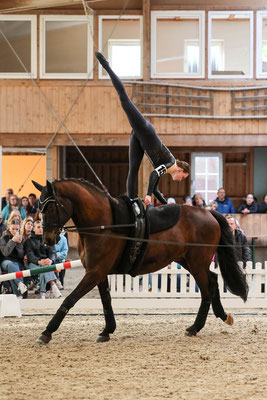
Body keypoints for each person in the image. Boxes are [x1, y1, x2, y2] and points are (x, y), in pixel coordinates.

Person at [95, 52, 190, 206]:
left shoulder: (166, 169)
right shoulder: (171, 162)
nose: (180, 181)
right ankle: (106, 65)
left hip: (139, 139)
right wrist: (147, 195)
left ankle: (131, 201)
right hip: (145, 131)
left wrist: (166, 204)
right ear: (180, 170)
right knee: (124, 98)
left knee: (133, 169)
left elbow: (155, 189)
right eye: (183, 177)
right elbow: (153, 174)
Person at [24, 220, 62, 299]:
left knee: (43, 269)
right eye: (38, 227)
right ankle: (52, 284)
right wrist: (39, 261)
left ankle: (43, 292)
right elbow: (30, 255)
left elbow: (53, 252)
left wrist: (50, 260)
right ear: (33, 229)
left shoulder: (48, 239)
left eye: (42, 227)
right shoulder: (28, 241)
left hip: (46, 263)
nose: (41, 229)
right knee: (43, 268)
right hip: (33, 263)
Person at [0, 220, 27, 297]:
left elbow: (21, 255)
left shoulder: (22, 239)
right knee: (12, 265)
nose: (15, 231)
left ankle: (18, 294)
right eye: (13, 229)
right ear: (9, 228)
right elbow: (5, 253)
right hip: (6, 262)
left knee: (13, 270)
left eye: (17, 229)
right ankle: (20, 285)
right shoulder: (3, 239)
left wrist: (18, 244)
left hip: (18, 263)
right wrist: (12, 241)